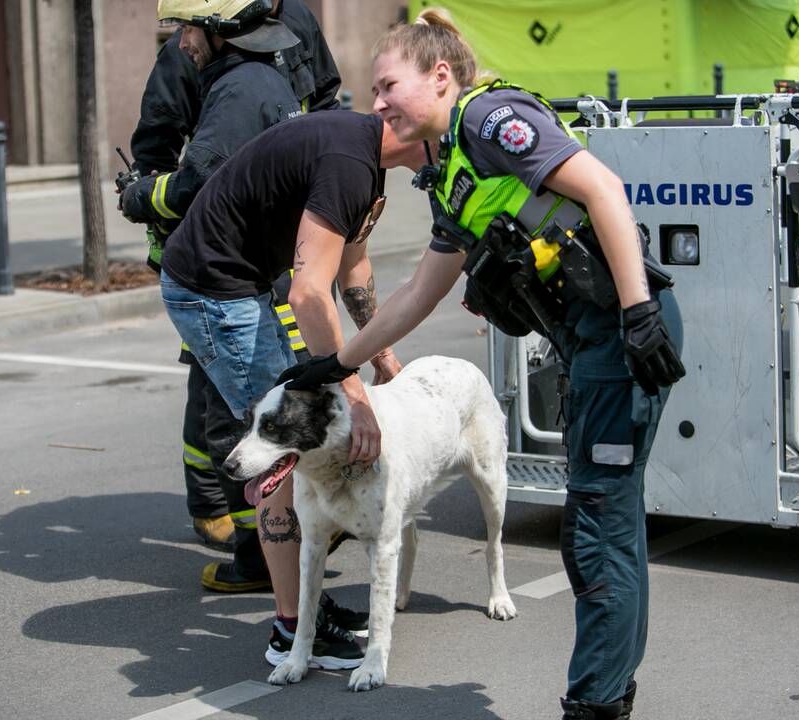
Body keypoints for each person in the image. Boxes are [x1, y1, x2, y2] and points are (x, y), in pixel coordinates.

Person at [279, 10, 685, 720]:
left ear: (440, 76)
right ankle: (608, 695)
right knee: (605, 523)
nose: (376, 104)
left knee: (596, 529)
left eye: (387, 85)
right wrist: (331, 364)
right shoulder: (452, 174)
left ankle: (595, 705)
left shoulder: (492, 120)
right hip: (593, 344)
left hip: (620, 334)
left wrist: (639, 312)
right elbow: (412, 297)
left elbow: (604, 192)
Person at [158, 109, 421, 669]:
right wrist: (355, 395)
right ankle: (292, 628)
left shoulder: (365, 164)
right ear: (418, 129)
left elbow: (353, 268)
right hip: (213, 290)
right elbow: (307, 295)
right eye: (449, 145)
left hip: (236, 285)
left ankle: (303, 606)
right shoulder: (349, 160)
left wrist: (385, 357)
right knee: (282, 445)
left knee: (295, 437)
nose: (450, 163)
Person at [123, 0, 343, 593]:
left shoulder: (275, 36)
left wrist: (144, 198)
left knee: (254, 401)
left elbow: (322, 105)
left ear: (216, 29)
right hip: (234, 255)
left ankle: (269, 553)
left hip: (250, 256)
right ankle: (231, 519)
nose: (179, 43)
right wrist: (152, 200)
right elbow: (161, 138)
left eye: (185, 31)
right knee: (233, 388)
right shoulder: (230, 45)